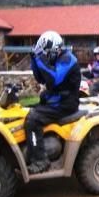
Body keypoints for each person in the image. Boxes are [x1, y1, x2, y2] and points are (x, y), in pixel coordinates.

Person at [25, 31, 81, 174]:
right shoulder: (57, 57)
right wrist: (34, 60)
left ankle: (40, 161)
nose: (47, 56)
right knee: (24, 111)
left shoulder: (68, 59)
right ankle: (32, 150)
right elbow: (41, 79)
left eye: (47, 53)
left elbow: (53, 79)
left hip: (66, 104)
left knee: (32, 120)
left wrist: (39, 58)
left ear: (56, 48)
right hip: (55, 101)